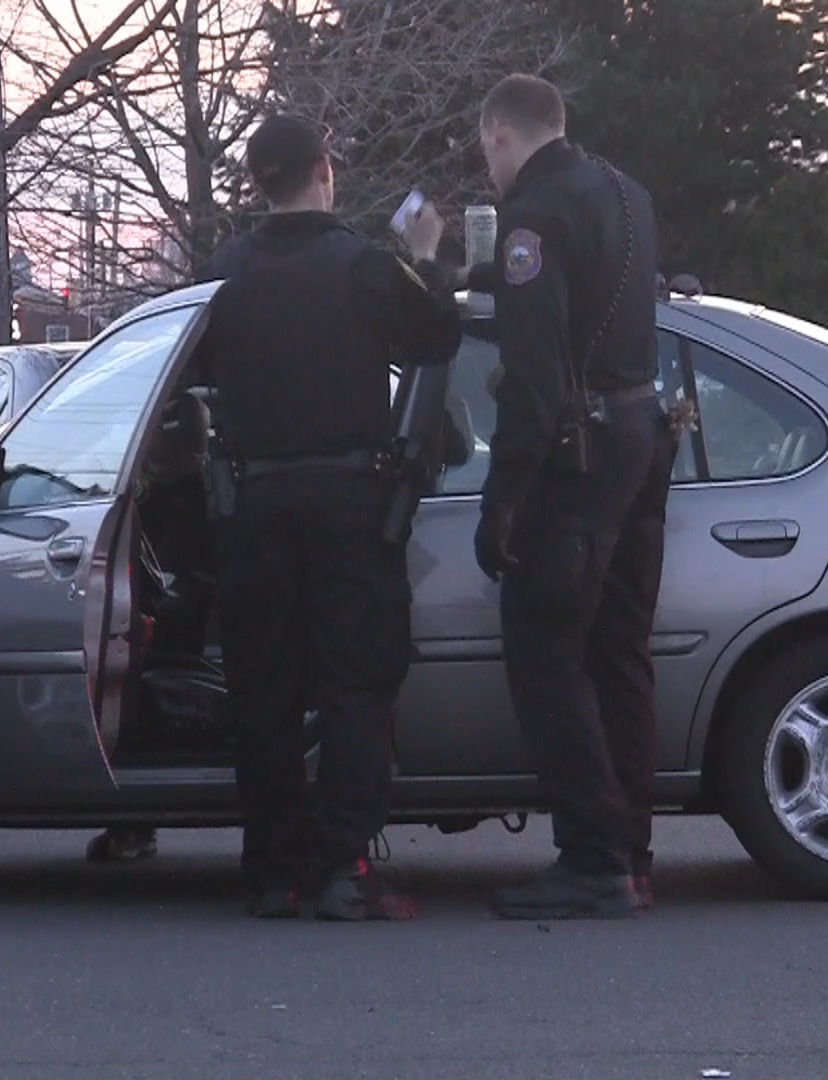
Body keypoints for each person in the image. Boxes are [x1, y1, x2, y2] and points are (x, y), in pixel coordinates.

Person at [191, 112, 463, 920]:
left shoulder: (223, 274)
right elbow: (437, 337)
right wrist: (426, 256)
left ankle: (273, 873)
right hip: (350, 506)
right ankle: (345, 865)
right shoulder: (364, 266)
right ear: (325, 170)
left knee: (263, 690)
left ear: (256, 183)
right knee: (355, 684)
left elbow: (190, 370)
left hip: (255, 506)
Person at [471, 73, 674, 920]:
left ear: (500, 135)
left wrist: (502, 502)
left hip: (579, 461)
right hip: (641, 439)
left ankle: (592, 860)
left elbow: (533, 381)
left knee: (547, 656)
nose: (489, 168)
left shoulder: (533, 218)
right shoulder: (627, 195)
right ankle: (630, 852)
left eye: (486, 151)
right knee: (619, 654)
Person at [85, 392, 218, 864]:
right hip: (161, 609)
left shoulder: (193, 498)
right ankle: (132, 820)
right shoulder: (168, 495)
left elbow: (190, 571)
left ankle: (134, 820)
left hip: (175, 616)